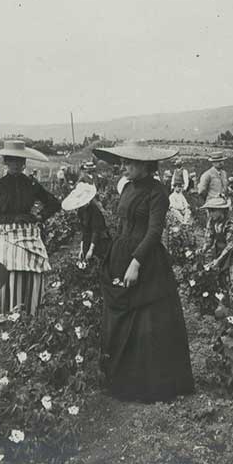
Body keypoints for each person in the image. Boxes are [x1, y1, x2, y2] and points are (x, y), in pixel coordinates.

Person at [92, 144, 195, 403]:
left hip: (145, 258)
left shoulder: (157, 192)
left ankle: (147, 383)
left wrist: (136, 262)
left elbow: (154, 231)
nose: (124, 167)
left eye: (129, 163)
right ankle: (119, 377)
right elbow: (122, 223)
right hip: (121, 252)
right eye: (123, 162)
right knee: (119, 313)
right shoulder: (127, 188)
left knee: (147, 318)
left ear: (145, 166)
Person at [0, 140, 61, 315]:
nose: (16, 165)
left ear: (24, 163)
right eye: (12, 161)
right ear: (6, 162)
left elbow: (54, 203)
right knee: (9, 276)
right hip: (6, 236)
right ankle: (7, 319)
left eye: (20, 161)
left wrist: (40, 216)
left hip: (28, 234)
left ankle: (31, 316)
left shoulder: (31, 184)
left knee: (34, 274)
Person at [200, 196, 233, 293]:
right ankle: (225, 297)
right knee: (223, 274)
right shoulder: (211, 221)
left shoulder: (230, 223)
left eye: (213, 211)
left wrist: (218, 260)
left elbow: (230, 245)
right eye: (209, 211)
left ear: (221, 210)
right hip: (221, 248)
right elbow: (209, 238)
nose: (210, 214)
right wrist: (202, 250)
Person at [61, 182, 111, 262]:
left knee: (98, 261)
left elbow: (96, 231)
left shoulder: (94, 210)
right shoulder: (81, 211)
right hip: (89, 237)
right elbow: (84, 230)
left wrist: (91, 250)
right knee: (85, 259)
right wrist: (82, 249)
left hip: (100, 239)